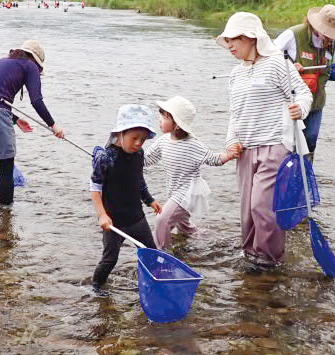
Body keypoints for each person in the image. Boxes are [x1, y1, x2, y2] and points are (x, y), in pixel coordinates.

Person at [218, 12, 311, 268]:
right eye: (227, 41)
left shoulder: (278, 63)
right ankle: (250, 257)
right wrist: (230, 142)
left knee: (263, 207)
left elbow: (302, 93)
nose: (230, 46)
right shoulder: (235, 75)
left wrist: (300, 109)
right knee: (247, 209)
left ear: (251, 38)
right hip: (245, 149)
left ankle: (270, 260)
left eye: (234, 39)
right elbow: (234, 114)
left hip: (274, 145)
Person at [0, 39, 64, 205]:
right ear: (35, 60)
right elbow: (36, 100)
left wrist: (15, 119)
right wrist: (53, 125)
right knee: (5, 171)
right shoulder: (30, 65)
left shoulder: (0, 62)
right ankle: (6, 218)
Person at [146, 96, 235, 248]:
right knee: (184, 227)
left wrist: (228, 155)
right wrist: (125, 158)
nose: (160, 120)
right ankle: (211, 238)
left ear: (177, 124)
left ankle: (162, 254)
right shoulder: (163, 141)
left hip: (187, 193)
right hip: (174, 191)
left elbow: (212, 158)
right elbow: (146, 159)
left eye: (164, 117)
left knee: (162, 220)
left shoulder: (193, 144)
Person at [90, 104, 161, 293]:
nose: (138, 143)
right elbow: (95, 189)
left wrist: (149, 200)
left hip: (136, 218)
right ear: (121, 134)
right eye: (134, 138)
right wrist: (102, 215)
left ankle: (154, 285)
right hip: (114, 222)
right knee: (110, 259)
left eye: (143, 139)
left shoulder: (139, 154)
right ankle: (96, 287)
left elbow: (138, 180)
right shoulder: (106, 157)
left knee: (151, 253)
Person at [275, 4, 335, 155]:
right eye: (328, 33)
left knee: (310, 141)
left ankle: (304, 175)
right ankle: (284, 174)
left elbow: (331, 69)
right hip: (291, 102)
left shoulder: (334, 44)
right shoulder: (293, 34)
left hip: (316, 102)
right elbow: (268, 56)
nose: (331, 37)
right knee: (288, 143)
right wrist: (289, 66)